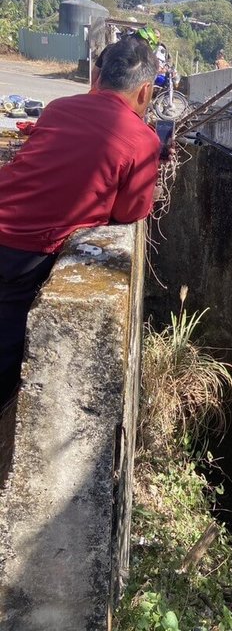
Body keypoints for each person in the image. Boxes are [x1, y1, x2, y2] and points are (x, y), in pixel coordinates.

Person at [0, 37, 161, 407]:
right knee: (8, 355)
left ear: (97, 76)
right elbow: (129, 213)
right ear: (146, 90)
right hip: (27, 252)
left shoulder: (59, 108)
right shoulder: (143, 140)